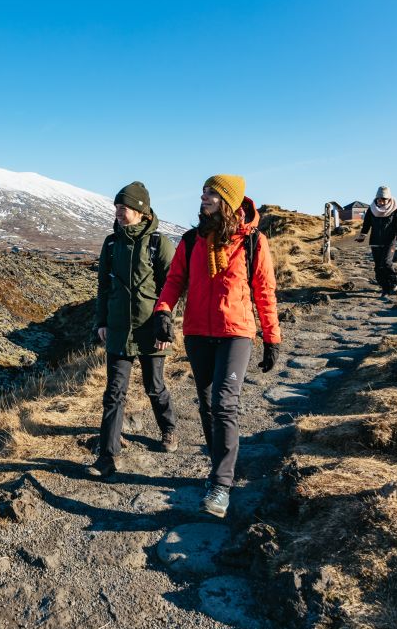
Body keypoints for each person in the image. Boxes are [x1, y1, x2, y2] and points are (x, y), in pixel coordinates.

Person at [153, 175, 281, 517]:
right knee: (208, 405)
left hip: (236, 332)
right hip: (197, 333)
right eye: (203, 192)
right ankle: (217, 470)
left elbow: (264, 291)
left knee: (225, 405)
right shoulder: (192, 240)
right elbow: (175, 280)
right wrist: (162, 311)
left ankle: (222, 485)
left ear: (227, 200)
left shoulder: (253, 242)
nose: (203, 197)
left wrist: (271, 338)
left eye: (210, 193)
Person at [88, 181, 176, 478]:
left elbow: (173, 287)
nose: (118, 213)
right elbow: (102, 286)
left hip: (150, 328)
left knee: (155, 386)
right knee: (114, 392)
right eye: (116, 208)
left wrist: (165, 325)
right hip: (117, 329)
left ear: (140, 211)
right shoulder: (111, 243)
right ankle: (107, 456)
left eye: (123, 208)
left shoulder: (158, 244)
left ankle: (169, 430)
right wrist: (101, 322)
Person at [355, 186, 397, 295]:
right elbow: (367, 223)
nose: (381, 202)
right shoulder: (372, 208)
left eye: (383, 199)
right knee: (378, 266)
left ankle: (393, 285)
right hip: (375, 241)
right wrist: (362, 236)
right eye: (379, 199)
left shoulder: (395, 208)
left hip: (390, 241)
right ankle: (384, 287)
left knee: (386, 263)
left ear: (389, 199)